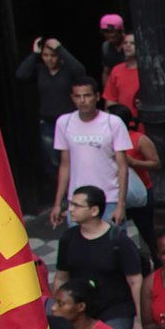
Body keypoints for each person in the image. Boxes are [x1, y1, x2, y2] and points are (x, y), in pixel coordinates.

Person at [53, 185, 147, 329]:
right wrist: (58, 309)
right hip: (81, 311)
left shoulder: (118, 240)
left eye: (77, 205)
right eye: (70, 204)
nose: (70, 209)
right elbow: (61, 278)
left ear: (94, 211)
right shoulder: (68, 238)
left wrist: (140, 319)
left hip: (116, 309)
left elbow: (135, 281)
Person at [49, 76, 132, 228]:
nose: (82, 101)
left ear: (97, 96)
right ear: (72, 98)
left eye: (87, 95)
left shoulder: (113, 123)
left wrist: (121, 204)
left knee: (112, 247)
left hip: (109, 199)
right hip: (77, 200)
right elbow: (65, 165)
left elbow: (122, 166)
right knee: (79, 249)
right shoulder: (64, 123)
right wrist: (57, 203)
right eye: (78, 96)